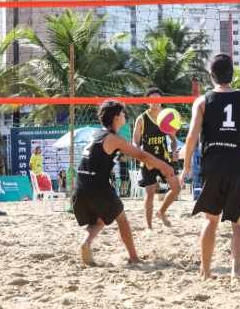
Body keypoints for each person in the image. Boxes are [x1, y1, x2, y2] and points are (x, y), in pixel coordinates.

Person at [182, 53, 240, 282]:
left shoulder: (202, 101)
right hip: (236, 165)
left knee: (211, 221)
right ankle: (236, 272)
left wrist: (186, 166)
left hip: (212, 166)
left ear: (211, 75)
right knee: (239, 224)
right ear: (232, 74)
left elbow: (191, 138)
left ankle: (206, 271)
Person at [74, 100, 175, 266]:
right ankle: (134, 257)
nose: (124, 115)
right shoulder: (114, 139)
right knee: (122, 219)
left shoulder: (96, 134)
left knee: (99, 220)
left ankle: (86, 243)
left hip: (80, 186)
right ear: (115, 117)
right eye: (122, 113)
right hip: (97, 186)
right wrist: (164, 165)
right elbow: (141, 155)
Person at [132, 87, 181, 229]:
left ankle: (161, 212)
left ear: (162, 101)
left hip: (164, 159)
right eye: (152, 100)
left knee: (176, 188)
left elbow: (173, 140)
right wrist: (140, 154)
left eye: (158, 99)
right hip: (148, 159)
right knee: (150, 195)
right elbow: (135, 142)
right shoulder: (142, 119)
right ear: (147, 101)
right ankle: (149, 227)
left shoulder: (166, 116)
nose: (155, 102)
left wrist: (174, 151)